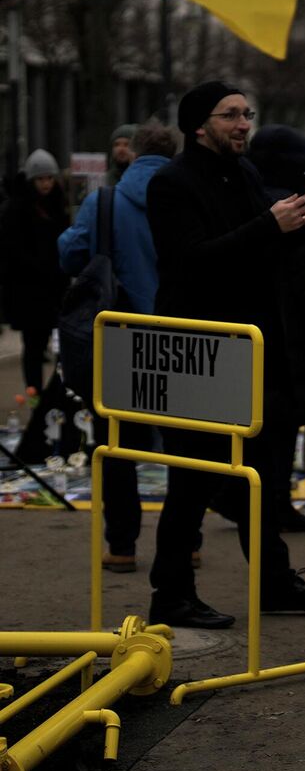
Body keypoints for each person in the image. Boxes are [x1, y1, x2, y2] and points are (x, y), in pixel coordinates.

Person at [144, 81, 305, 630]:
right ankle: (172, 594)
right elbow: (191, 263)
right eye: (229, 114)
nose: (242, 123)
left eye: (246, 113)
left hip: (252, 348)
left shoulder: (247, 173)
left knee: (260, 473)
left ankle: (274, 583)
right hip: (199, 351)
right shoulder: (171, 183)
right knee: (193, 478)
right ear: (197, 124)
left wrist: (299, 227)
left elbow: (263, 253)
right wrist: (268, 225)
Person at [59, 120, 178, 571]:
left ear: (133, 153)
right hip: (180, 335)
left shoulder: (105, 201)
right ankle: (187, 543)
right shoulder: (185, 200)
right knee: (184, 443)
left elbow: (70, 254)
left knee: (118, 444)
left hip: (120, 337)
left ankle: (123, 546)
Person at [247, 124, 305, 533]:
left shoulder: (245, 202)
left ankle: (254, 504)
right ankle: (275, 506)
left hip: (251, 331)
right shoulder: (295, 210)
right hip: (289, 335)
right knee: (280, 429)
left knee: (254, 427)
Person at [0, 148, 70, 460]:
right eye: (40, 179)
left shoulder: (57, 205)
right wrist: (43, 269)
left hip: (53, 290)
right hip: (29, 294)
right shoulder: (17, 209)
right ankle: (33, 402)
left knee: (57, 349)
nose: (46, 184)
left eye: (49, 179)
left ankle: (53, 404)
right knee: (33, 348)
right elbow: (13, 252)